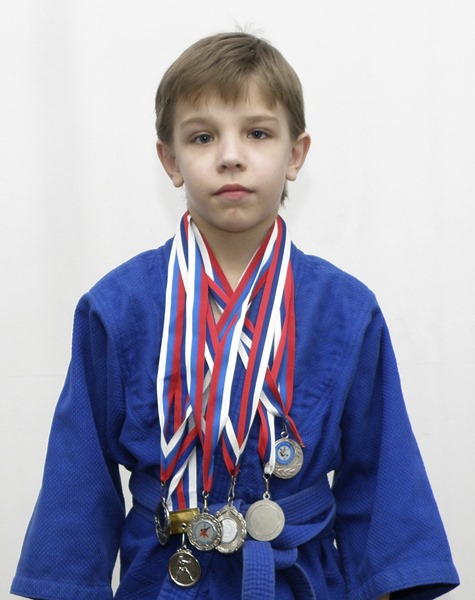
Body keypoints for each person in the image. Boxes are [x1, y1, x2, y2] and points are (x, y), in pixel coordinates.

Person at [11, 32, 459, 600]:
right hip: (165, 577)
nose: (230, 155)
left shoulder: (347, 309)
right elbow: (78, 482)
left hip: (298, 579)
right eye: (202, 137)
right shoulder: (117, 307)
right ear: (170, 160)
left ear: (295, 155)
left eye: (257, 133)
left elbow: (380, 474)